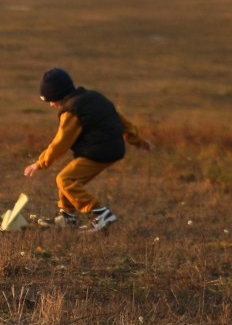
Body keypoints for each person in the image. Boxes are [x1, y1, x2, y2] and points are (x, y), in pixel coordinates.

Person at [23, 67, 148, 231]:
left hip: (99, 151)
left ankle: (101, 214)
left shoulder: (72, 111)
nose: (52, 105)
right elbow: (119, 118)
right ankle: (67, 217)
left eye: (50, 100)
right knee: (69, 177)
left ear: (58, 95)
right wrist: (137, 140)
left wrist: (40, 163)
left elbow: (61, 143)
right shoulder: (93, 98)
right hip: (108, 148)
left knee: (65, 180)